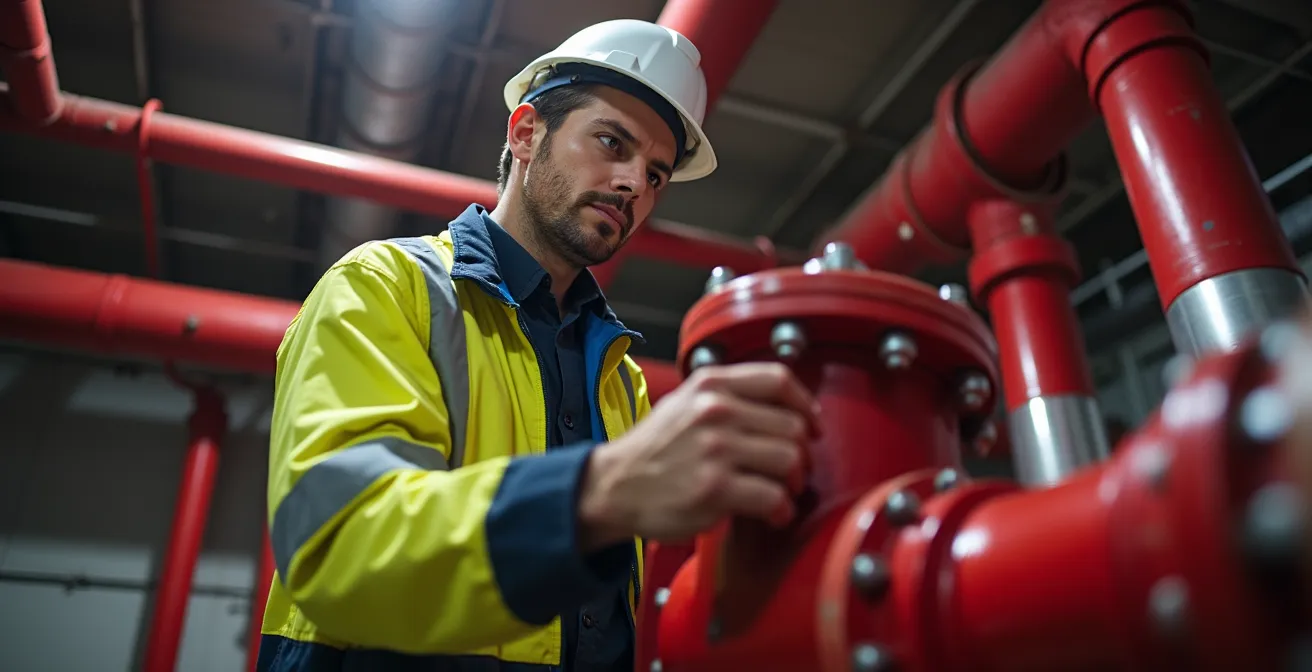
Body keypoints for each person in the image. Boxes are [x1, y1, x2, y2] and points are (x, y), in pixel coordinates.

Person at [255, 18, 818, 672]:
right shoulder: (385, 289)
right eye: (612, 142)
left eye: (656, 174)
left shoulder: (619, 377)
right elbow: (338, 546)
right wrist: (599, 492)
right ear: (525, 133)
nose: (636, 184)